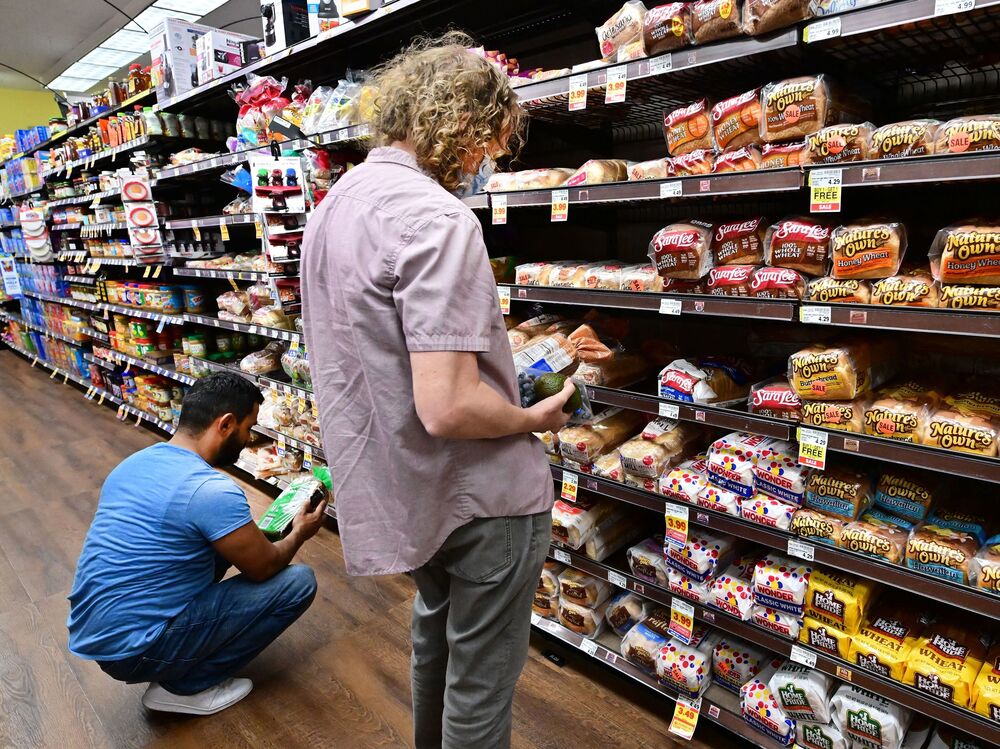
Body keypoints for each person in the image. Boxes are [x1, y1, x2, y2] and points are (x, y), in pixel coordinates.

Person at [301, 32, 574, 749]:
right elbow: (450, 404)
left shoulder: (333, 207)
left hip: (404, 489)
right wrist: (531, 413)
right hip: (481, 497)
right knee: (480, 692)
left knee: (437, 638)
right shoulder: (437, 217)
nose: (484, 162)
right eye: (488, 144)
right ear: (460, 124)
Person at [67, 372, 328, 716]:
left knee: (217, 546)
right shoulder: (210, 491)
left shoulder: (136, 463)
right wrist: (299, 533)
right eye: (248, 428)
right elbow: (264, 567)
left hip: (100, 632)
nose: (249, 440)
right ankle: (185, 688)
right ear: (226, 423)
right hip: (133, 651)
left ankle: (176, 659)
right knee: (297, 583)